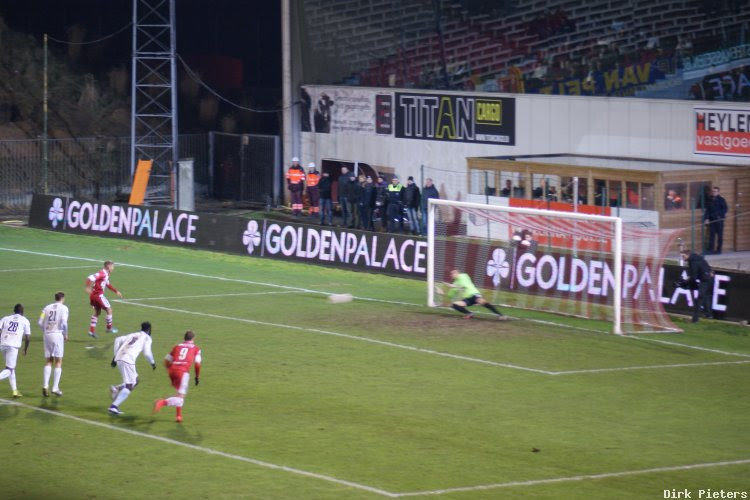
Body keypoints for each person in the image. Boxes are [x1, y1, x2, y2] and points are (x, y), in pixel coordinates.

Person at [153, 330, 202, 423]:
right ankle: (162, 402)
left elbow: (166, 361)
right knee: (180, 398)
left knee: (179, 393)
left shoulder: (177, 347)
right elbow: (197, 364)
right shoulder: (196, 349)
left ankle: (178, 416)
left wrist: (170, 370)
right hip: (183, 372)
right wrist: (197, 377)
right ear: (193, 339)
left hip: (173, 370)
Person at [108, 321, 156, 415]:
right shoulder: (147, 338)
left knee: (136, 380)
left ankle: (116, 389)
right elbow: (147, 353)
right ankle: (113, 407)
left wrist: (114, 357)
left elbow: (117, 339)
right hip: (128, 360)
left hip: (120, 358)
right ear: (149, 330)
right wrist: (152, 363)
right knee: (129, 385)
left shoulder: (134, 334)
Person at [442, 270, 508, 320]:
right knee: (454, 304)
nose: (452, 275)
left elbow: (462, 284)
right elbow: (450, 296)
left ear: (458, 273)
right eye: (451, 274)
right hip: (467, 299)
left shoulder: (464, 276)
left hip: (474, 294)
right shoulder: (455, 284)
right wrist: (442, 293)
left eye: (453, 273)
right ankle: (469, 313)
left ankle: (501, 315)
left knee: (484, 303)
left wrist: (453, 285)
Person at [38, 292, 69, 397]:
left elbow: (39, 322)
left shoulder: (46, 308)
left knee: (48, 360)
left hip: (47, 335)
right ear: (62, 298)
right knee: (58, 361)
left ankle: (45, 386)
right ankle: (55, 388)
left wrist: (45, 331)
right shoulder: (64, 308)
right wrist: (65, 334)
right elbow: (64, 323)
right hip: (57, 334)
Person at [85, 260, 123, 338]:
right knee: (109, 310)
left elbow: (107, 284)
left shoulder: (106, 274)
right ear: (108, 266)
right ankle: (109, 328)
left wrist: (116, 291)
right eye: (112, 266)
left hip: (93, 296)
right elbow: (90, 278)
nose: (113, 268)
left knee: (97, 313)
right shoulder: (102, 273)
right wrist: (88, 287)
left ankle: (91, 331)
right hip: (98, 295)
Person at [0, 304, 31, 397]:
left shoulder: (5, 318)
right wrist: (25, 349)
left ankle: (15, 390)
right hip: (13, 347)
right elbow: (28, 337)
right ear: (22, 312)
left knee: (10, 367)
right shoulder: (25, 320)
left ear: (14, 311)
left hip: (3, 345)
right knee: (9, 369)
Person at [681, 250, 714, 323]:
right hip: (709, 278)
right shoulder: (698, 258)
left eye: (683, 256)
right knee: (705, 296)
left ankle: (695, 320)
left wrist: (686, 282)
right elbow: (706, 266)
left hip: (705, 280)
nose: (683, 258)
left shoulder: (692, 262)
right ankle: (708, 315)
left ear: (688, 255)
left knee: (699, 300)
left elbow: (693, 276)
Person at [704, 186, 728, 254]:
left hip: (719, 220)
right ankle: (711, 250)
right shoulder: (710, 199)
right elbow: (707, 210)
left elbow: (725, 209)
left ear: (718, 192)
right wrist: (706, 218)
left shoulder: (721, 200)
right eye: (713, 191)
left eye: (715, 191)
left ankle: (719, 250)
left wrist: (719, 215)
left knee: (720, 235)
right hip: (712, 220)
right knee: (712, 235)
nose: (714, 192)